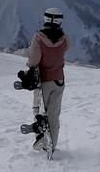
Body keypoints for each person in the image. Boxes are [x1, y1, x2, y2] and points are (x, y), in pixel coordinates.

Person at [25, 8, 70, 152]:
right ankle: (52, 144)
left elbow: (34, 60)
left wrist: (29, 68)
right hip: (59, 81)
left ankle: (41, 137)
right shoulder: (63, 37)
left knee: (39, 111)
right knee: (54, 115)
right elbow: (68, 46)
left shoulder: (39, 37)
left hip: (43, 82)